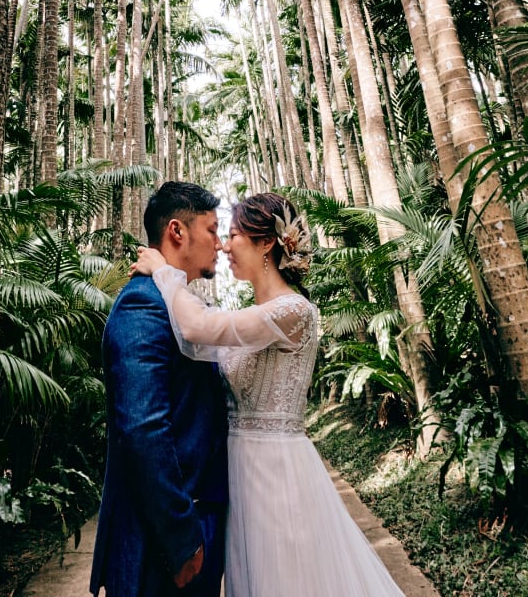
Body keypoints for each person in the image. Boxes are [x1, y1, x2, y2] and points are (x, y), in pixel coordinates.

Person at [130, 191, 407, 597]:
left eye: (235, 234)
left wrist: (163, 272)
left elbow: (197, 329)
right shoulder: (253, 315)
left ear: (266, 243)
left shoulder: (293, 312)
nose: (224, 245)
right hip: (239, 473)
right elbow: (202, 339)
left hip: (277, 472)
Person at [89, 181, 229, 597]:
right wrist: (181, 539)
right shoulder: (142, 304)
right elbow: (142, 427)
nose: (219, 244)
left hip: (196, 522)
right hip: (165, 539)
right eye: (212, 230)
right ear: (177, 231)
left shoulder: (175, 300)